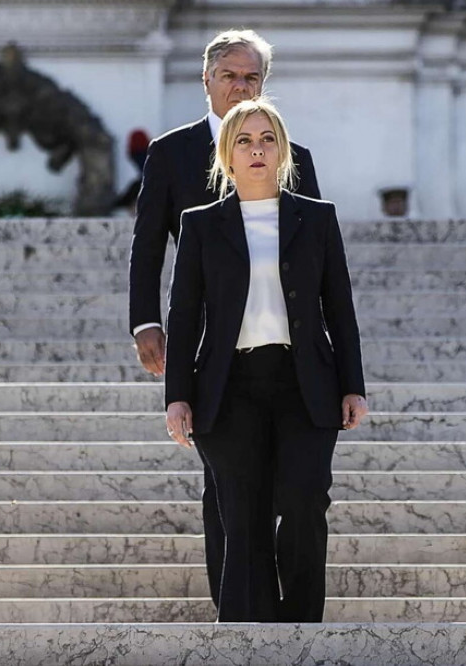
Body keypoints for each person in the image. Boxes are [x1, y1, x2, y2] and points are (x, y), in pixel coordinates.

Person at [127, 28, 322, 610]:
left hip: (283, 352)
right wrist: (146, 322)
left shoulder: (295, 159)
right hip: (210, 346)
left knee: (285, 491)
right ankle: (236, 605)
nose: (241, 87)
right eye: (230, 76)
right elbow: (147, 246)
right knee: (229, 491)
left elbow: (312, 256)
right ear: (206, 80)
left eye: (252, 77)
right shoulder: (171, 152)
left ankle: (283, 605)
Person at [164, 98, 367, 622]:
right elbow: (183, 317)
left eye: (267, 139)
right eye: (244, 142)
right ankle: (247, 639)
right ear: (226, 157)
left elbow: (339, 307)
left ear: (282, 152)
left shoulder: (316, 218)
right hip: (229, 389)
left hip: (305, 385)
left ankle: (300, 630)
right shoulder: (202, 224)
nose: (257, 150)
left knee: (304, 502)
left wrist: (353, 385)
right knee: (243, 515)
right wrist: (177, 396)